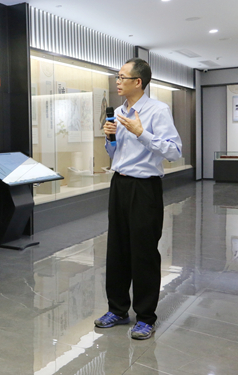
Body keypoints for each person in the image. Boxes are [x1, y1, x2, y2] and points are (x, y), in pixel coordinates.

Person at [94, 58, 182, 340]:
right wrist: (110, 139)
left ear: (138, 82)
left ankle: (145, 317)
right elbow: (115, 154)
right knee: (117, 249)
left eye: (122, 77)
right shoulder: (119, 112)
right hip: (119, 184)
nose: (117, 81)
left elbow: (174, 151)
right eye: (117, 77)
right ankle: (117, 309)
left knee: (143, 252)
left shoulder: (158, 110)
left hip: (145, 188)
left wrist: (141, 133)